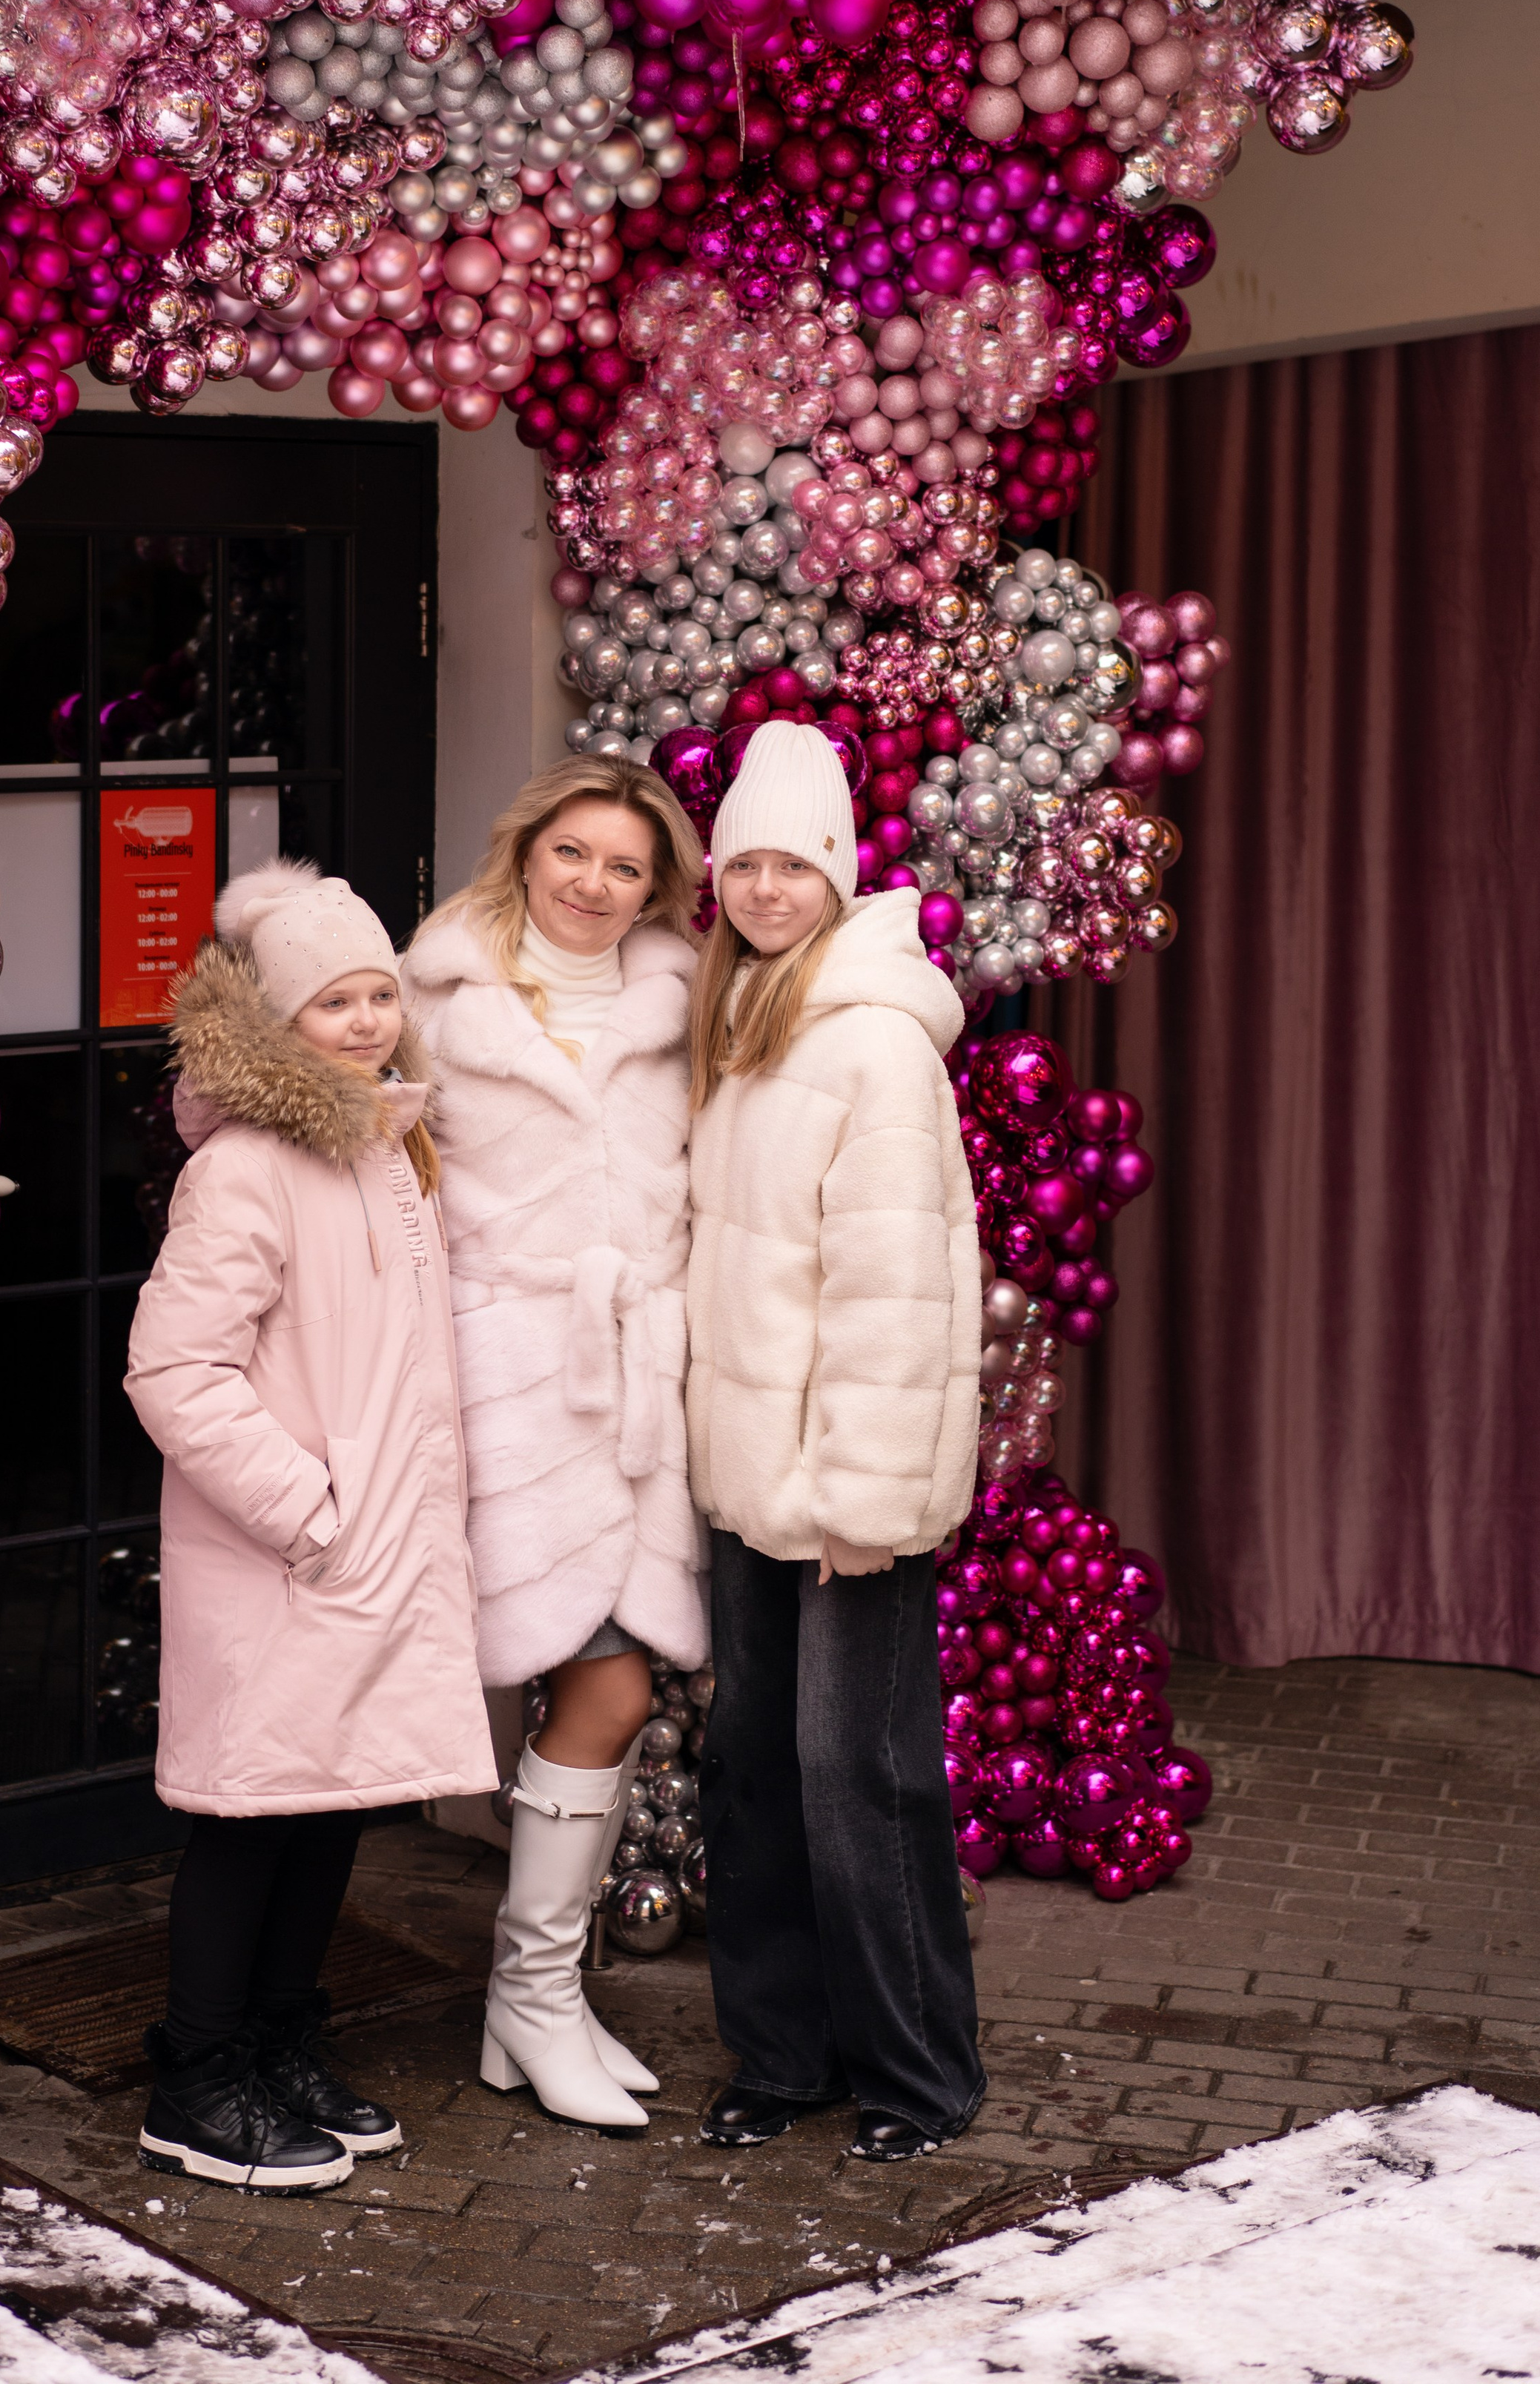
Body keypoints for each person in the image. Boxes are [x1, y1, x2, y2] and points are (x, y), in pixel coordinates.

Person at [126, 857, 497, 2193]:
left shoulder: (386, 1146)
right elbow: (176, 1372)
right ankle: (196, 2073)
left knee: (329, 1804)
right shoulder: (247, 1171)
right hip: (292, 1554)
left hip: (369, 1549)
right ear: (276, 1023)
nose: (364, 1023)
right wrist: (313, 1511)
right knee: (249, 1817)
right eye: (332, 1003)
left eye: (378, 996)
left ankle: (281, 2039)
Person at [685, 720, 987, 2163]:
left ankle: (916, 2071)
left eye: (785, 863)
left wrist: (866, 1491)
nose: (759, 887)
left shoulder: (871, 1043)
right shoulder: (742, 1023)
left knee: (852, 1771)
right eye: (738, 861)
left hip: (840, 1486)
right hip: (744, 1477)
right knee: (748, 1764)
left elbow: (897, 1292)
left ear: (833, 870)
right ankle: (781, 2053)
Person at [402, 757, 709, 2130]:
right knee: (585, 1691)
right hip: (490, 1386)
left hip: (635, 1393)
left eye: (624, 867)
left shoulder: (683, 1003)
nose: (593, 885)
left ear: (658, 888)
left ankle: (538, 2001)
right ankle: (530, 2004)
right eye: (571, 853)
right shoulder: (429, 997)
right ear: (527, 852)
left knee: (612, 1693)